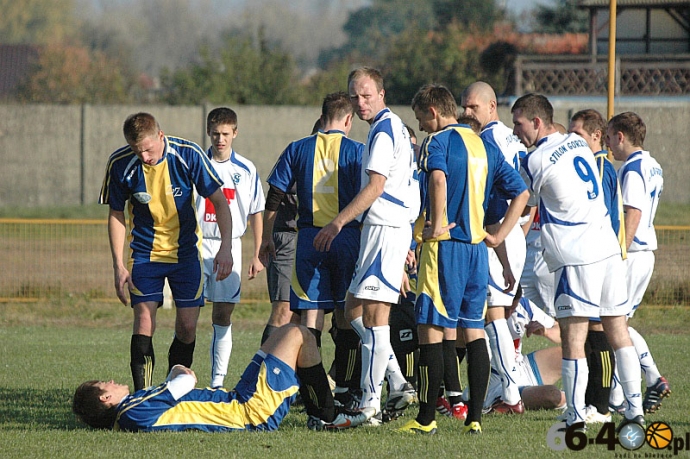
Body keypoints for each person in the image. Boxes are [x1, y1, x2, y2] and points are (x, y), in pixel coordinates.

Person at [398, 84, 529, 435]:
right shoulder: (485, 145)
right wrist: (498, 236)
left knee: (432, 328)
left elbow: (437, 179)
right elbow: (522, 192)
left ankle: (425, 419)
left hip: (446, 246)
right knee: (473, 329)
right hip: (475, 251)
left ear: (434, 112)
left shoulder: (438, 143)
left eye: (421, 118)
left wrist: (436, 226)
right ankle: (475, 418)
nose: (422, 125)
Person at [511, 93, 644, 432]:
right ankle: (634, 410)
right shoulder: (576, 143)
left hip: (576, 256)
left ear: (537, 122)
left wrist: (497, 235)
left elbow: (525, 202)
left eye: (519, 123)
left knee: (574, 338)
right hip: (608, 248)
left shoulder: (534, 160)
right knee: (618, 331)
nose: (516, 131)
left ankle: (575, 416)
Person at [313, 68, 419, 424]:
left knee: (374, 318)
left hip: (385, 229)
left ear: (382, 93)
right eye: (355, 97)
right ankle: (397, 380)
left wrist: (338, 221)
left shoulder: (385, 131)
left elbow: (376, 186)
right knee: (352, 309)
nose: (361, 103)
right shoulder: (392, 127)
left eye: (367, 95)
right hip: (388, 229)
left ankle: (369, 404)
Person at [98, 112, 234, 391]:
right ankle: (142, 396)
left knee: (186, 327)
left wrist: (226, 247)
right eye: (138, 151)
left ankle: (174, 392)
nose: (144, 157)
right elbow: (116, 213)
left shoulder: (188, 154)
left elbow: (220, 202)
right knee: (144, 319)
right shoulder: (121, 163)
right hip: (145, 255)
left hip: (185, 256)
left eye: (148, 149)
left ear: (161, 136)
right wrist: (118, 265)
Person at [72, 324, 375, 431]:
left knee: (289, 332)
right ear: (106, 398)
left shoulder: (131, 412)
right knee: (298, 335)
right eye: (105, 383)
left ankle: (322, 413)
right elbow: (185, 381)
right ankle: (327, 415)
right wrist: (177, 369)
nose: (111, 380)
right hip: (248, 412)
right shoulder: (131, 410)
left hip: (236, 399)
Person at [263, 92, 365, 406]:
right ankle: (347, 391)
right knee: (348, 316)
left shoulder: (297, 148)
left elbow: (274, 197)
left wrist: (266, 238)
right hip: (346, 237)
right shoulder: (358, 151)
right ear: (348, 120)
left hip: (307, 241)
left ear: (321, 119)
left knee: (311, 317)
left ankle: (313, 397)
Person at [461, 81, 529, 415]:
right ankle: (499, 392)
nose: (466, 112)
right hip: (510, 230)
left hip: (496, 232)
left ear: (492, 105)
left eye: (473, 106)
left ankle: (511, 396)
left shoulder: (485, 140)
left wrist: (499, 236)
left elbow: (496, 198)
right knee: (493, 314)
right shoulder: (512, 139)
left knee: (494, 315)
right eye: (464, 106)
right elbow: (526, 197)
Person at [197, 108, 266, 388]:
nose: (220, 139)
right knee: (188, 311)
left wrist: (258, 253)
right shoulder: (197, 163)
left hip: (231, 246)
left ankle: (217, 382)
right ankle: (179, 378)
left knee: (223, 314)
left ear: (235, 133)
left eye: (225, 134)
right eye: (215, 134)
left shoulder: (246, 169)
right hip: (198, 244)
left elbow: (256, 211)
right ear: (208, 132)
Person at [606, 112, 669, 414]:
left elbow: (633, 213)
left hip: (632, 254)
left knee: (615, 325)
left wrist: (620, 252)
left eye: (609, 138)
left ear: (621, 136)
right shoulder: (653, 164)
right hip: (646, 253)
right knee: (621, 325)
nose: (608, 146)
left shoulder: (631, 169)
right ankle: (648, 380)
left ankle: (624, 393)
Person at [568, 108, 623, 423]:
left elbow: (600, 218)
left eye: (577, 135)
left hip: (598, 259)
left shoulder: (599, 168)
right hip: (592, 258)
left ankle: (602, 406)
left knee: (599, 330)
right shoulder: (591, 166)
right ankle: (593, 402)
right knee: (589, 332)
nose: (572, 141)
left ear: (596, 136)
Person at [480, 285, 566, 413]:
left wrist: (545, 331)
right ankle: (575, 399)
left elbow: (561, 332)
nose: (508, 314)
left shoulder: (523, 305)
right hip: (496, 381)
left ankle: (594, 398)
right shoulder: (479, 311)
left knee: (575, 354)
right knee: (553, 396)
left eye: (512, 308)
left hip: (522, 367)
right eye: (505, 309)